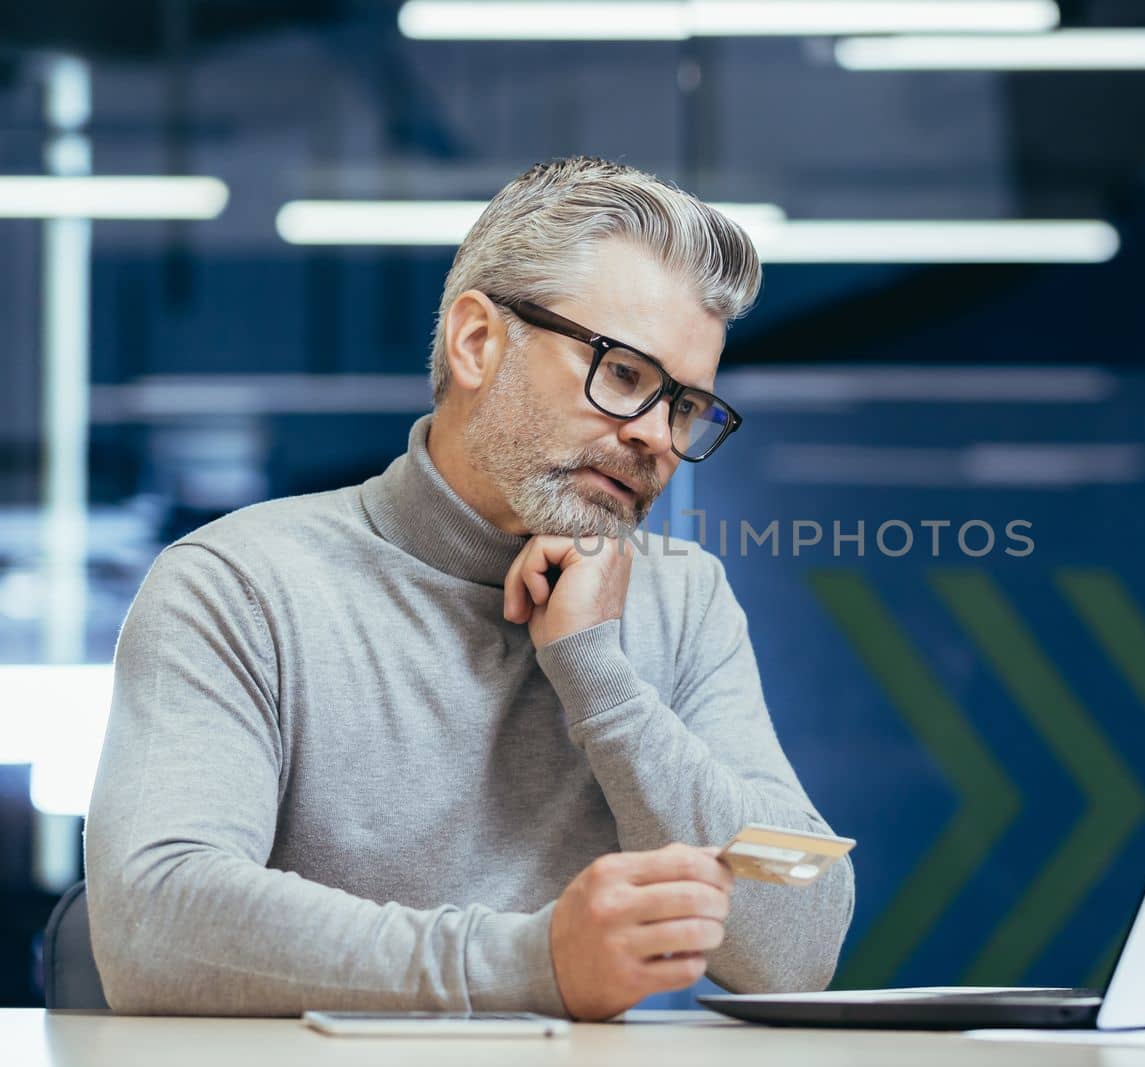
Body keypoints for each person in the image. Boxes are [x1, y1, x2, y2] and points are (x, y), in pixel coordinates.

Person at [84, 156, 854, 1021]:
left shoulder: (684, 599)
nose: (657, 440)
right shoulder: (241, 586)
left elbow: (800, 943)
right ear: (478, 341)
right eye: (626, 375)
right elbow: (155, 919)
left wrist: (604, 682)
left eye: (683, 406)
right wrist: (533, 961)